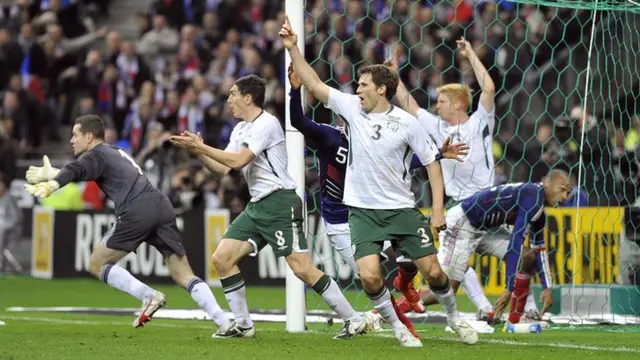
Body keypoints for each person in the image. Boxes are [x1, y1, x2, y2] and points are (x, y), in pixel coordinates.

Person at [280, 16, 478, 347]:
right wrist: (293, 49)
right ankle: (397, 328)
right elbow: (314, 84)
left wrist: (439, 210)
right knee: (370, 277)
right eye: (357, 85)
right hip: (362, 212)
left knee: (434, 272)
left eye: (363, 85)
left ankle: (455, 319)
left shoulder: (407, 123)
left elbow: (430, 164)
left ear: (381, 89)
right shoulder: (352, 110)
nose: (357, 89)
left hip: (402, 209)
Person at [169, 75, 372, 340]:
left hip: (280, 202)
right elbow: (222, 168)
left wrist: (203, 146)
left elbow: (240, 160)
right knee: (222, 259)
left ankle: (354, 320)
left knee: (301, 268)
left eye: (233, 94)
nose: (228, 99)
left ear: (248, 97)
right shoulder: (240, 129)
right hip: (257, 206)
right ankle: (243, 324)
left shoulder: (267, 123)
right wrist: (200, 153)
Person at [24, 115, 233, 335]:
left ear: (89, 136)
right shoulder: (114, 152)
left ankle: (148, 296)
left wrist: (53, 184)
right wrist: (53, 173)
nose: (71, 140)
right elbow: (85, 171)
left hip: (135, 209)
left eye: (75, 135)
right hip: (161, 204)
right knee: (184, 274)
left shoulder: (95, 154)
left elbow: (77, 169)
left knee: (96, 264)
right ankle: (224, 323)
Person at [386, 42, 538, 321]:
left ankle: (528, 311)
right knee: (445, 280)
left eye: (442, 101)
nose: (436, 105)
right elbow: (410, 105)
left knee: (524, 255)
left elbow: (489, 88)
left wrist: (471, 56)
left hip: (491, 212)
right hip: (460, 213)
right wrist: (394, 78)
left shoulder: (479, 122)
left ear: (457, 103)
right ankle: (394, 311)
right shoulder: (436, 127)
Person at [406, 170, 571, 323]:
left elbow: (539, 250)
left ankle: (520, 317)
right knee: (445, 291)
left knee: (527, 257)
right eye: (562, 189)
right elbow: (516, 240)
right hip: (463, 223)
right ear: (546, 183)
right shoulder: (533, 194)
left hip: (487, 229)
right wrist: (508, 288)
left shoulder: (539, 212)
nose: (564, 196)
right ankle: (400, 306)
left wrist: (547, 287)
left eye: (568, 193)